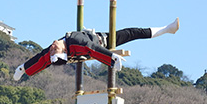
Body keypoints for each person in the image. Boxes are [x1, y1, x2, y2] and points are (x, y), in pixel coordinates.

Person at [13, 18, 179, 81]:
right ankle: (166, 29)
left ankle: (167, 29)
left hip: (91, 43)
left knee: (134, 33)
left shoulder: (53, 50)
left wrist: (23, 69)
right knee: (133, 33)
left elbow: (40, 60)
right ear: (63, 50)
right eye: (55, 50)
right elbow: (93, 49)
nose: (52, 47)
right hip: (102, 42)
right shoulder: (75, 42)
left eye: (52, 50)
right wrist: (112, 58)